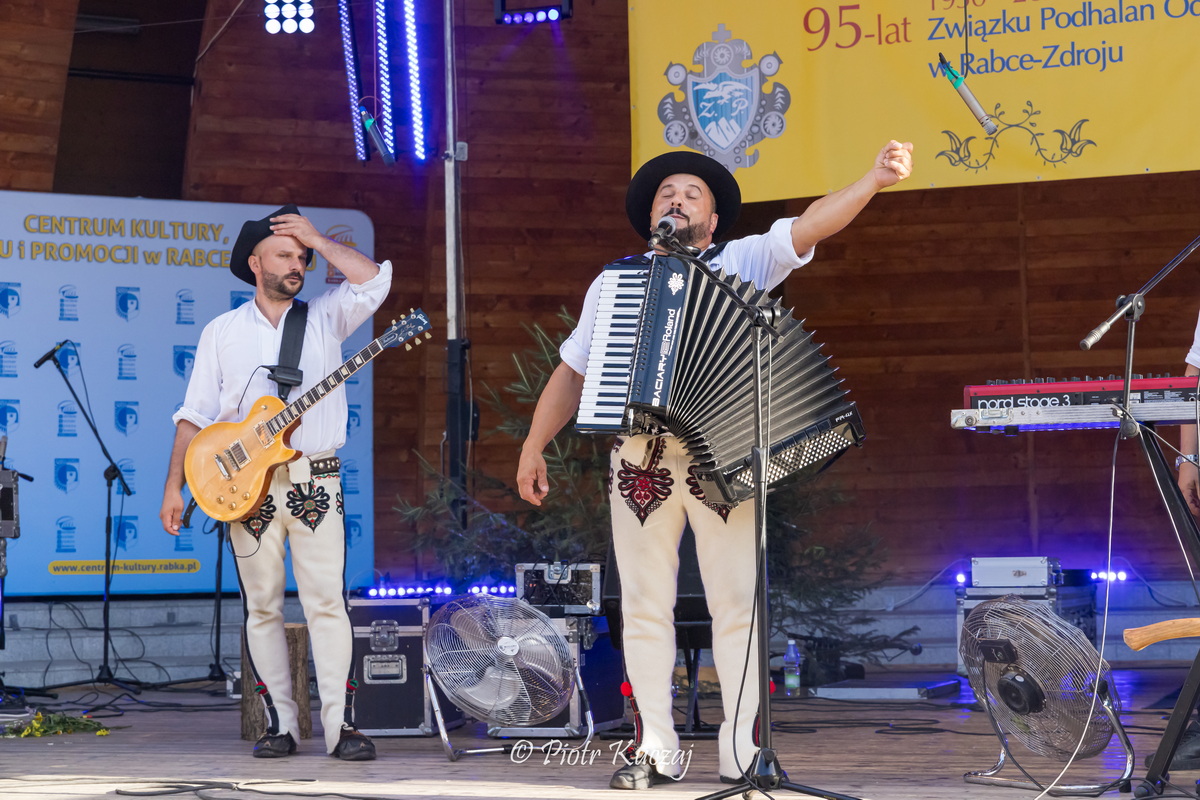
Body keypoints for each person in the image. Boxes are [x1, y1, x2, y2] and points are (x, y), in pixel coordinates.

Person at [516, 142, 914, 789]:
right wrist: (534, 444)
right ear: (650, 213)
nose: (676, 200)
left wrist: (871, 179)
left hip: (722, 458)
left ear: (713, 218)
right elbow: (574, 370)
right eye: (665, 193)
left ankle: (740, 747)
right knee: (643, 605)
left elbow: (811, 225)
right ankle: (655, 748)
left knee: (736, 604)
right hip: (640, 458)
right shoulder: (614, 281)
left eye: (690, 193)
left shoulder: (742, 260)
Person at [159, 204, 391, 761]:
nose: (297, 264)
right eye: (285, 254)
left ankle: (341, 729)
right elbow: (194, 415)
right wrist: (174, 487)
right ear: (254, 262)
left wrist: (318, 238)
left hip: (315, 478)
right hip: (246, 488)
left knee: (326, 603)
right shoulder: (222, 331)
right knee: (261, 606)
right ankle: (279, 726)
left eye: (302, 257)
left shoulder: (325, 316)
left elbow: (375, 281)